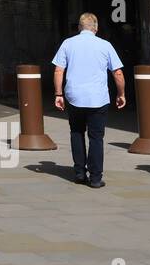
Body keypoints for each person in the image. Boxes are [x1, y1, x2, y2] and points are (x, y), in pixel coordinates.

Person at [52, 12, 126, 188]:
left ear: (79, 27)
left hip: (74, 96)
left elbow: (58, 71)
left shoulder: (68, 44)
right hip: (98, 98)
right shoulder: (105, 45)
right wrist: (121, 93)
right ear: (96, 28)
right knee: (96, 137)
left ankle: (79, 173)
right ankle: (95, 178)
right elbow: (117, 72)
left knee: (76, 132)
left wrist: (58, 94)